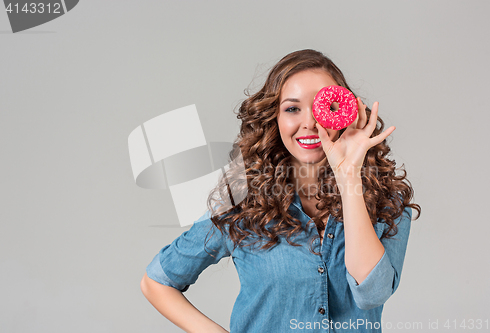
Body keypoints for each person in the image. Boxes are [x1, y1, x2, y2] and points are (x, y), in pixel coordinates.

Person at [140, 49, 421, 333]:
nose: (310, 122)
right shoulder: (241, 203)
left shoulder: (387, 204)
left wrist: (348, 175)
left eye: (323, 106)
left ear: (345, 113)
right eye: (292, 108)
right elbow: (156, 282)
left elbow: (371, 294)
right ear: (274, 118)